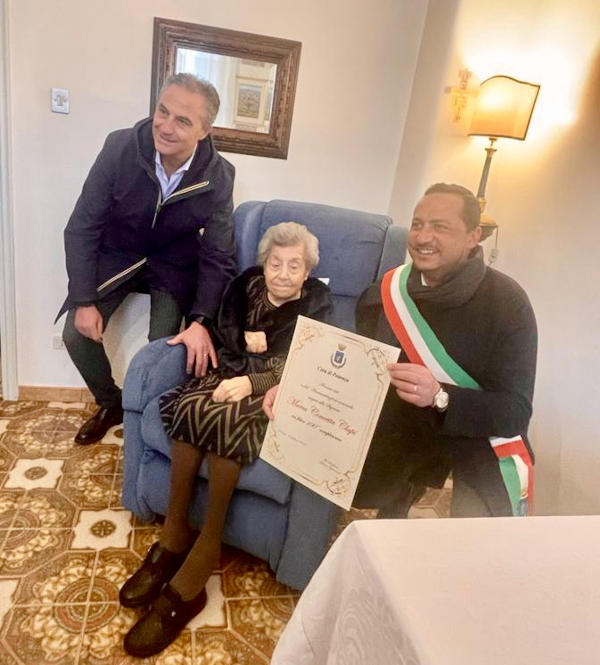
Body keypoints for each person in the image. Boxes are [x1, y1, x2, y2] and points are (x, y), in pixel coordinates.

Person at [119, 222, 332, 658]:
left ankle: (205, 550)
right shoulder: (242, 287)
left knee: (229, 422)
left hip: (274, 394)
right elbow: (222, 333)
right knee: (190, 405)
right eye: (276, 263)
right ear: (264, 264)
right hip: (227, 373)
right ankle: (174, 534)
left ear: (307, 272)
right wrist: (241, 359)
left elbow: (312, 362)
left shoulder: (317, 304)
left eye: (294, 266)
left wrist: (255, 379)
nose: (283, 273)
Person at [264, 183, 537, 519]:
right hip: (392, 444)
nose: (423, 237)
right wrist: (299, 389)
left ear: (473, 236)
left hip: (467, 451)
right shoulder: (383, 292)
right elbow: (354, 372)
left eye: (440, 227)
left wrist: (440, 396)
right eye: (418, 224)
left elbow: (515, 412)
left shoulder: (507, 303)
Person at [57, 73, 237, 445]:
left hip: (173, 265)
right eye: (162, 111)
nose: (166, 126)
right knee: (75, 333)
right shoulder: (120, 147)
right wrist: (84, 300)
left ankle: (151, 416)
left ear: (204, 130)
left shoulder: (219, 175)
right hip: (119, 254)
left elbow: (218, 254)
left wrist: (201, 320)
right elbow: (82, 226)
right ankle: (111, 403)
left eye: (182, 120)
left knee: (163, 347)